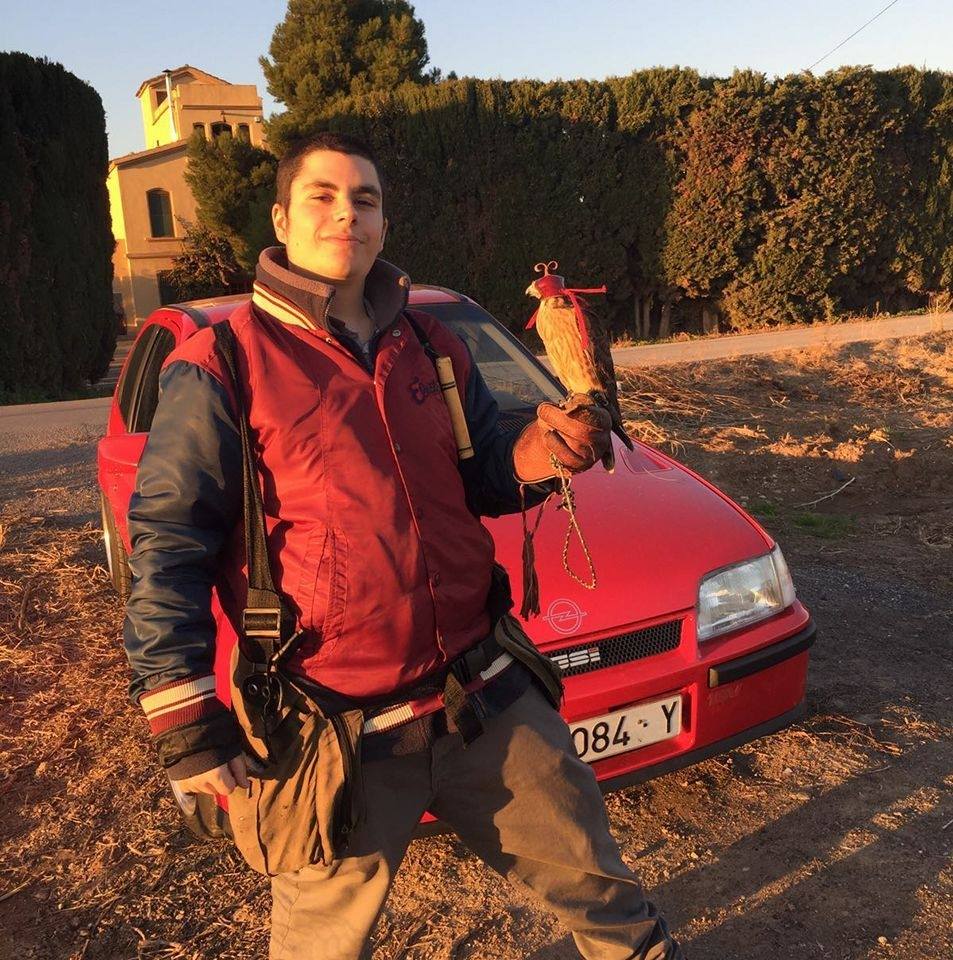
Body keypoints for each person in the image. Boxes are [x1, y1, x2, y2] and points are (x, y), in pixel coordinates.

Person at [123, 131, 683, 960]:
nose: (345, 214)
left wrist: (543, 451)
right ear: (281, 219)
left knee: (607, 900)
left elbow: (485, 473)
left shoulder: (429, 344)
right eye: (321, 196)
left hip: (483, 695)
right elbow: (169, 539)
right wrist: (184, 717)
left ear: (383, 223)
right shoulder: (223, 362)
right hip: (331, 725)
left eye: (365, 199)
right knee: (319, 949)